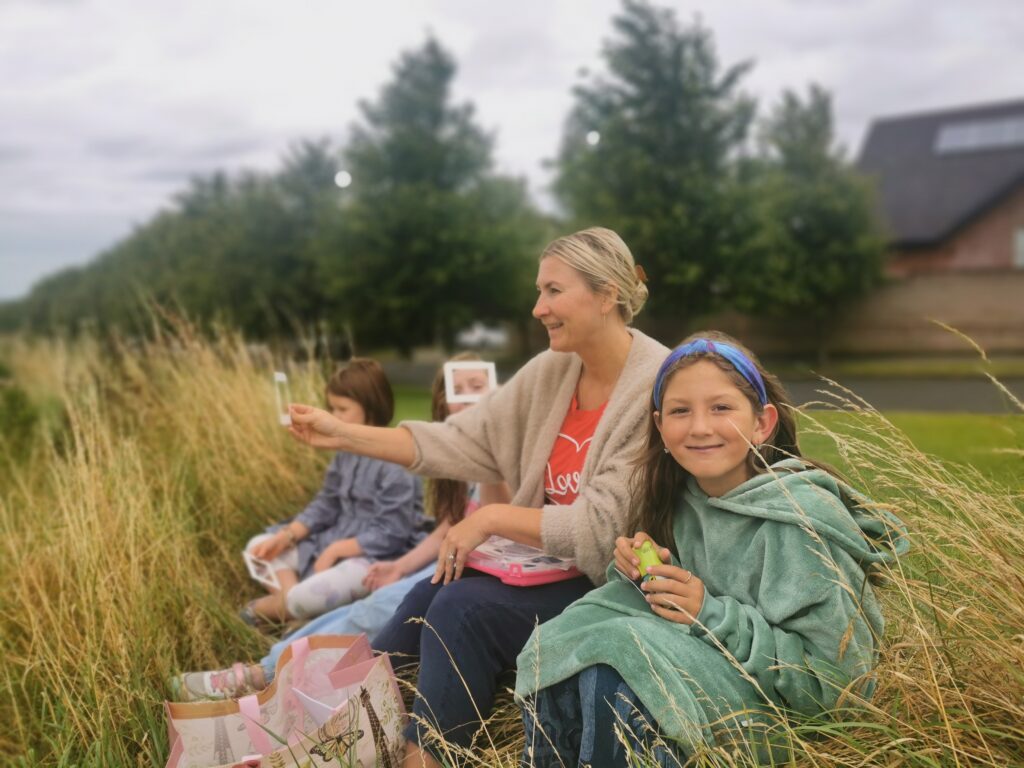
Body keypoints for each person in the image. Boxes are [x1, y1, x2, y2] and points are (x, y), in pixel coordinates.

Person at [287, 227, 669, 767]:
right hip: (545, 571)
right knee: (430, 592)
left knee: (463, 609)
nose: (538, 308)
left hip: (611, 583)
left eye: (553, 291)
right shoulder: (552, 371)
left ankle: (425, 757)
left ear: (606, 295)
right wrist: (343, 434)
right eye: (538, 291)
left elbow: (600, 529)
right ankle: (329, 726)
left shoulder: (655, 383)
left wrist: (489, 518)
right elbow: (461, 439)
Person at [515, 332, 910, 766]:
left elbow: (836, 689)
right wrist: (639, 577)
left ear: (762, 423)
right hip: (711, 681)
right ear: (660, 426)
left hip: (778, 718)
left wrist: (709, 612)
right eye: (680, 411)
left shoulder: (798, 523)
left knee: (620, 660)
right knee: (565, 644)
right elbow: (670, 623)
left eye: (721, 408)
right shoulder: (680, 502)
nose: (700, 427)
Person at [170, 355, 509, 702]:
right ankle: (274, 660)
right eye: (457, 389)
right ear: (443, 401)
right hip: (448, 562)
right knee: (362, 608)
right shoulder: (453, 459)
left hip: (477, 570)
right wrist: (398, 566)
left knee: (373, 611)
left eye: (477, 386)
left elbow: (487, 521)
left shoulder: (506, 448)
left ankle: (268, 659)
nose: (468, 397)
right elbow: (449, 525)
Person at [241, 358, 425, 626]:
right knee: (257, 548)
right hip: (331, 539)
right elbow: (327, 503)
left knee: (315, 593)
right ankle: (292, 607)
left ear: (371, 406)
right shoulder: (345, 451)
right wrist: (286, 536)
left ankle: (262, 610)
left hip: (374, 556)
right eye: (331, 408)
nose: (333, 416)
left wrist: (337, 549)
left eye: (342, 409)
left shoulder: (396, 461)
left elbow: (392, 532)